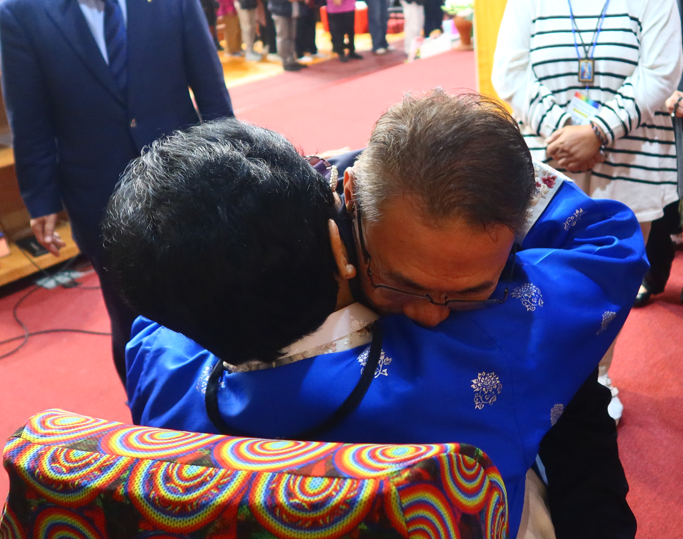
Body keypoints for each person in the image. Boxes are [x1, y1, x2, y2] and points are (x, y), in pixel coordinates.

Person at [103, 92, 647, 538]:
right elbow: (610, 245)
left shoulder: (157, 362)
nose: (432, 318)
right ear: (338, 234)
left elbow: (163, 301)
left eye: (468, 293)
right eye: (400, 283)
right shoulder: (485, 358)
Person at [0, 0, 234, 384]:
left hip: (185, 179)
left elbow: (209, 85)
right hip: (97, 193)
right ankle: (146, 408)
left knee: (208, 293)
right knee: (131, 318)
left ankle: (218, 395)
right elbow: (29, 117)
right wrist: (41, 199)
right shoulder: (22, 12)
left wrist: (230, 162)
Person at [491, 0, 682, 422]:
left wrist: (598, 132)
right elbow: (509, 72)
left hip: (633, 160)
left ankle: (598, 380)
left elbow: (660, 73)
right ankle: (538, 382)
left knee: (608, 286)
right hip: (549, 156)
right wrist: (565, 133)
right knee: (534, 279)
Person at [268, 0, 306, 70]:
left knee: (292, 36)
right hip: (279, 10)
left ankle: (292, 60)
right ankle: (285, 62)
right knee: (283, 37)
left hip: (292, 10)